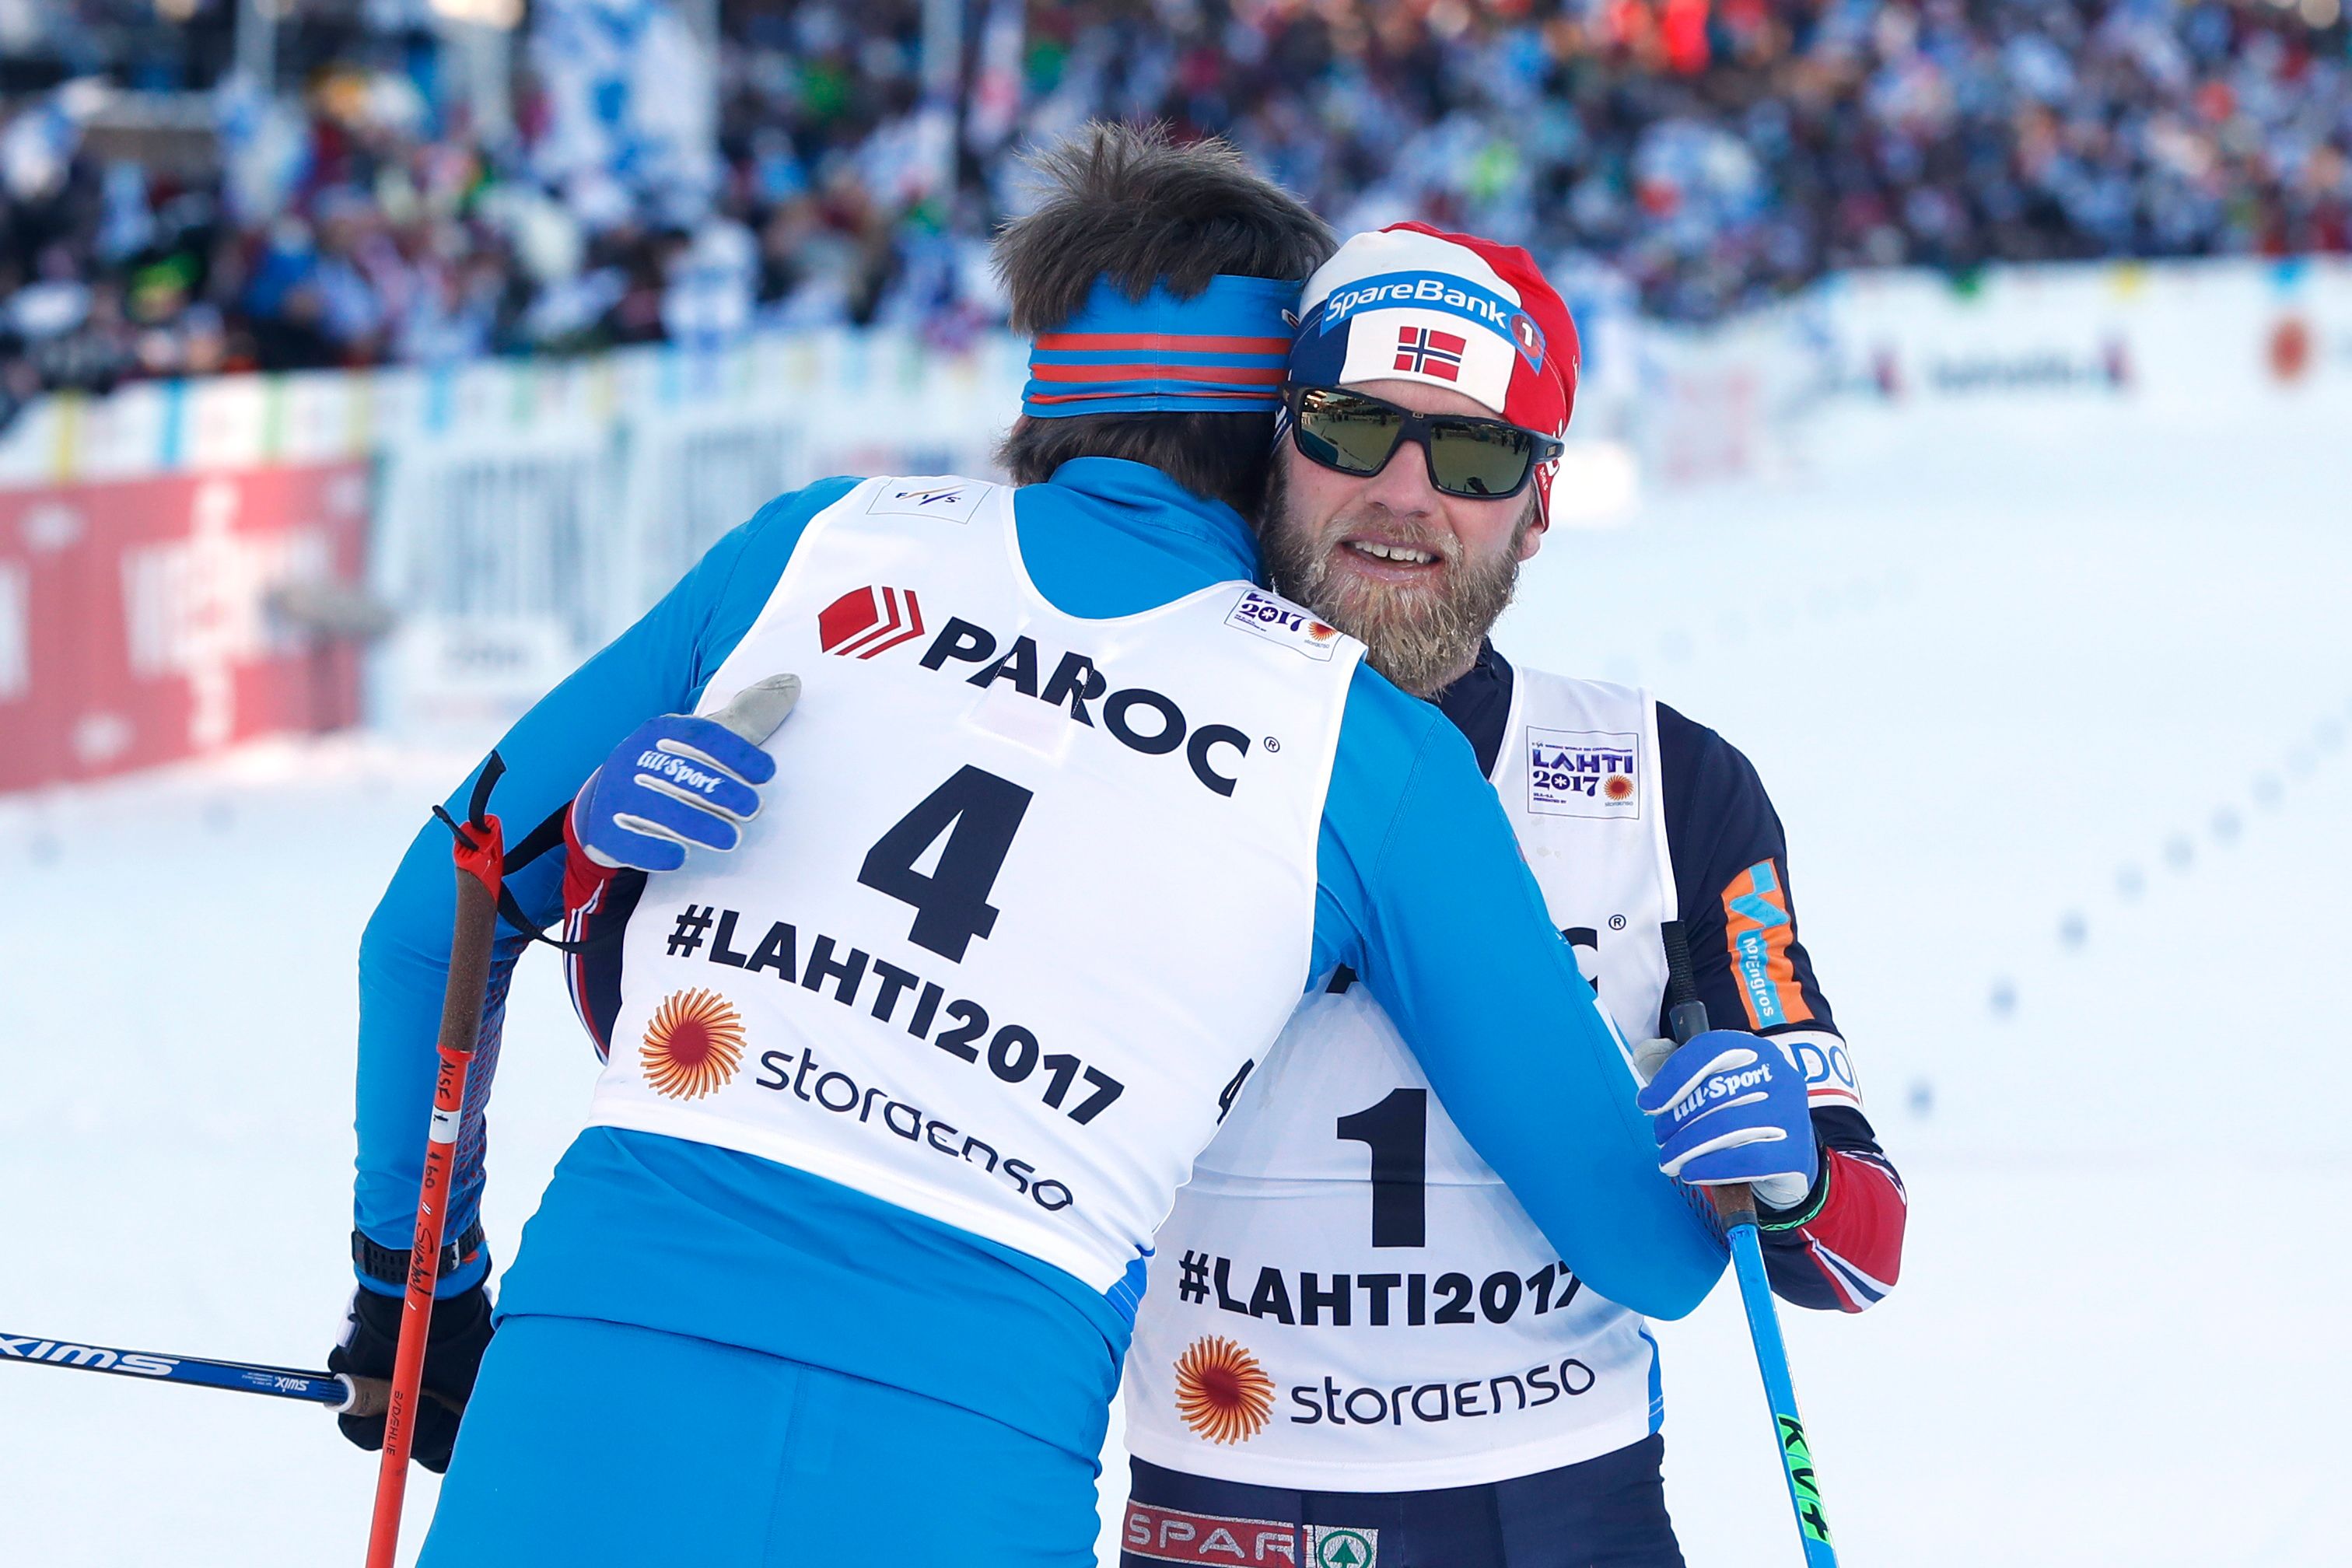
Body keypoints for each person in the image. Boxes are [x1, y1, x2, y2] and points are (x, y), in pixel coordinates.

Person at [330, 128, 1725, 1566]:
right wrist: (1728, 1120)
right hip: (968, 1446)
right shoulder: (1366, 744)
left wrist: (413, 1292)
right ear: (1273, 429)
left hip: (594, 1372)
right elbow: (1651, 1253)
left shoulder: (812, 545)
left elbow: (437, 921)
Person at [1118, 224, 1909, 1567]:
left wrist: (1793, 1175)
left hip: (1560, 1519)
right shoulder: (1115, 749)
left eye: (1476, 457)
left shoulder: (1669, 783)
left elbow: (1858, 1255)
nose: (1406, 494)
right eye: (1353, 430)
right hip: (1225, 1514)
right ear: (1275, 454)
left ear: (1539, 507)